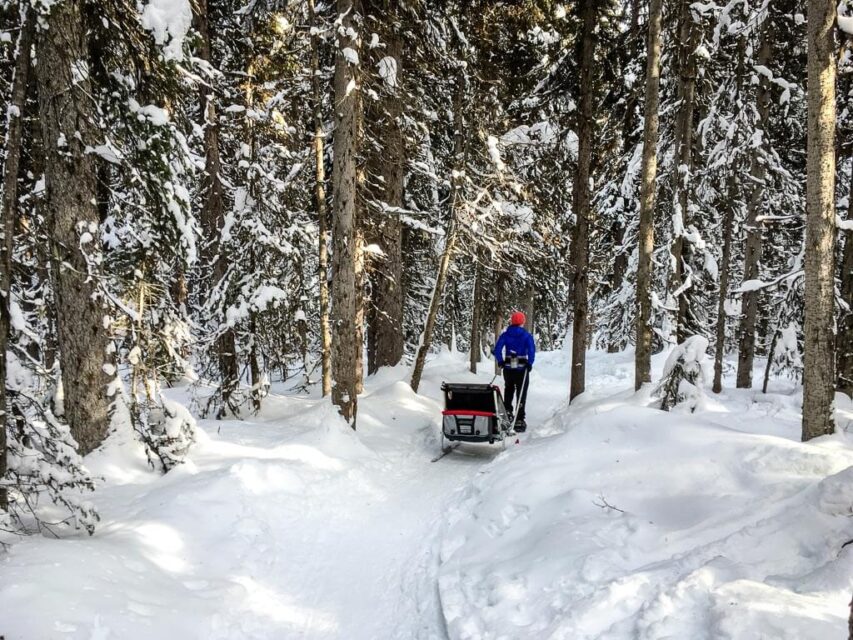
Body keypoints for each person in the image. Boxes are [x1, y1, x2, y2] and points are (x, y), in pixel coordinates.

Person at [493, 311, 535, 432]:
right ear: (522, 322)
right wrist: (530, 363)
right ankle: (519, 419)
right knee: (521, 392)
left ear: (512, 321)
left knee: (509, 389)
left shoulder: (505, 335)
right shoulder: (526, 335)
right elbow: (531, 350)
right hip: (522, 368)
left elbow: (497, 349)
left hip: (508, 368)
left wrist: (500, 361)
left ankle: (507, 412)